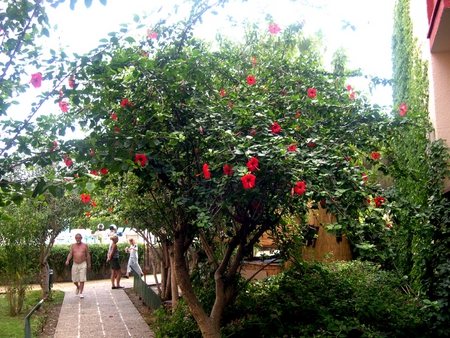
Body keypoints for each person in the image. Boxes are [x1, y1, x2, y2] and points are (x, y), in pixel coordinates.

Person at [65, 233, 91, 299]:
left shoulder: (85, 245)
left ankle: (81, 293)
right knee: (74, 279)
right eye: (77, 238)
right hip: (75, 263)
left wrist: (89, 264)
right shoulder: (73, 246)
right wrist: (67, 260)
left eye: (79, 238)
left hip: (83, 263)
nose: (78, 239)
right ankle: (78, 287)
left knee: (82, 278)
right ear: (75, 238)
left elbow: (88, 255)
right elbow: (70, 254)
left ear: (81, 238)